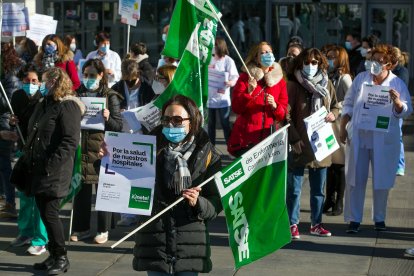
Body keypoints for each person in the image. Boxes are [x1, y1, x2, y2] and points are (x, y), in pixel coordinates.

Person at [101, 94, 222, 275]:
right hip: (154, 242)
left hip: (189, 247)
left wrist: (198, 202)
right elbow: (121, 180)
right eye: (166, 119)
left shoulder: (208, 154)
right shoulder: (145, 148)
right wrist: (106, 160)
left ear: (192, 120)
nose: (171, 124)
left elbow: (215, 204)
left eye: (177, 119)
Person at [340, 44, 413, 234]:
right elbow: (347, 104)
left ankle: (379, 218)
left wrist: (397, 103)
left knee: (382, 179)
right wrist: (343, 127)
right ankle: (354, 219)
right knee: (356, 178)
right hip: (360, 136)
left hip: (383, 138)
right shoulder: (361, 79)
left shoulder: (397, 83)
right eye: (373, 60)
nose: (375, 64)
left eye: (380, 61)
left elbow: (406, 110)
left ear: (389, 64)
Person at [23, 67, 84, 274]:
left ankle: (61, 257)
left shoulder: (68, 106)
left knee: (50, 214)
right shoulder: (46, 103)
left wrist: (51, 164)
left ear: (56, 82)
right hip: (39, 168)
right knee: (45, 212)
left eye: (45, 81)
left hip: (55, 171)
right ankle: (54, 254)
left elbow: (69, 141)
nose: (41, 85)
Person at [286, 47, 339, 238]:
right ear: (300, 63)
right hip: (300, 143)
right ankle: (292, 224)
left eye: (314, 62)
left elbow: (335, 104)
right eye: (307, 62)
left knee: (319, 191)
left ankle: (316, 224)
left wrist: (335, 114)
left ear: (320, 64)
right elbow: (286, 115)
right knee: (294, 189)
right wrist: (294, 138)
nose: (310, 66)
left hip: (321, 144)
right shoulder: (293, 85)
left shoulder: (327, 83)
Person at [70, 59, 123, 244]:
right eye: (85, 75)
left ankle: (103, 229)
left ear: (101, 75)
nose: (88, 78)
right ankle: (81, 228)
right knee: (81, 191)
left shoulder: (110, 96)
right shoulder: (77, 94)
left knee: (103, 192)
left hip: (102, 151)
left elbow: (119, 126)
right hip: (81, 148)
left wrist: (108, 118)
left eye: (92, 75)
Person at [9, 64, 48, 256]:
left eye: (34, 81)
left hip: (40, 153)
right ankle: (25, 232)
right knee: (24, 196)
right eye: (27, 81)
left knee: (39, 198)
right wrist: (12, 121)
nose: (30, 84)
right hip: (23, 151)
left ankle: (40, 239)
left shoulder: (45, 98)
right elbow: (13, 118)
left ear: (40, 82)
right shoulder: (17, 97)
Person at [111, 59, 154, 227]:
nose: (129, 84)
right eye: (126, 80)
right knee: (124, 175)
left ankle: (141, 212)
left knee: (141, 177)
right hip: (122, 135)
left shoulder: (147, 88)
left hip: (141, 135)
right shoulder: (116, 88)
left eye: (132, 80)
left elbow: (151, 110)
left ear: (138, 75)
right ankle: (127, 214)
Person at [227, 41, 288, 157]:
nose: (268, 55)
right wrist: (248, 93)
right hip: (246, 140)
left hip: (268, 141)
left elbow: (283, 114)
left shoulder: (280, 81)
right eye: (263, 53)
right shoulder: (245, 78)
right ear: (256, 57)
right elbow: (236, 107)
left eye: (269, 52)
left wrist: (275, 106)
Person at [323, 46, 352, 216]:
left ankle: (339, 201)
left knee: (340, 165)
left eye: (333, 57)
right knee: (330, 164)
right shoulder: (327, 76)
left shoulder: (345, 78)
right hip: (329, 124)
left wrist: (336, 108)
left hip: (340, 123)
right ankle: (329, 199)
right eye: (328, 56)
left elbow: (351, 100)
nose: (330, 60)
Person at [0, 42, 23, 218]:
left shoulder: (11, 78)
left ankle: (9, 201)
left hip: (4, 123)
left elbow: (6, 103)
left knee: (4, 164)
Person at [207, 37, 239, 145]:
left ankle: (230, 146)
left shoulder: (228, 60)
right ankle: (211, 147)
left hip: (223, 98)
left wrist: (231, 82)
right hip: (209, 97)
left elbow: (235, 76)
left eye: (214, 46)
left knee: (225, 123)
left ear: (220, 47)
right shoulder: (208, 59)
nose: (213, 49)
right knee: (210, 124)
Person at [392, 47, 409, 176]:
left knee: (398, 137)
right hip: (386, 107)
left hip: (397, 107)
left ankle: (400, 165)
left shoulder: (402, 71)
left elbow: (401, 87)